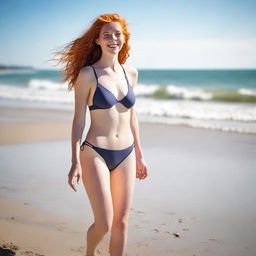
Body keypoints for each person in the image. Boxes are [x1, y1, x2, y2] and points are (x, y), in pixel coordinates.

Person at [55, 13, 148, 256]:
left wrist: (140, 154)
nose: (112, 39)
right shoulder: (88, 74)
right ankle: (89, 254)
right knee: (105, 222)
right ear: (97, 41)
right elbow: (78, 120)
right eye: (106, 35)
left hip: (126, 154)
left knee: (122, 222)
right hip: (95, 152)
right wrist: (75, 161)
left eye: (117, 34)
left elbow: (132, 116)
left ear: (124, 38)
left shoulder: (132, 73)